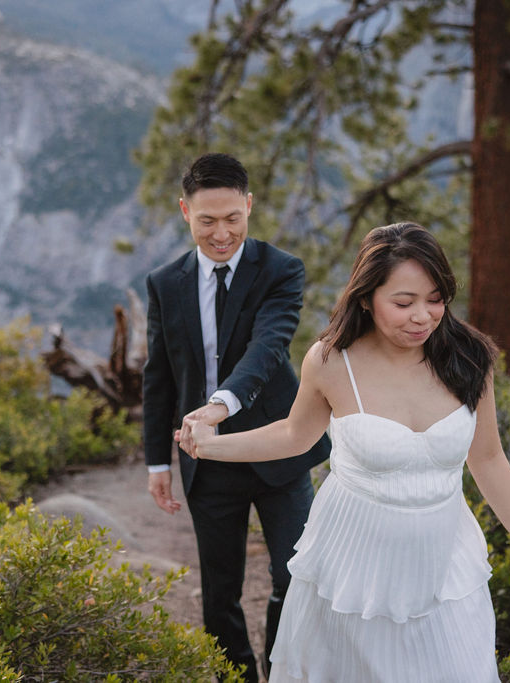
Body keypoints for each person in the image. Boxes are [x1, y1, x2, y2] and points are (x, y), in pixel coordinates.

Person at [179, 222, 510, 682]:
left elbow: (488, 457)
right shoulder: (331, 361)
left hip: (443, 566)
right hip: (352, 570)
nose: (423, 317)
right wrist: (212, 447)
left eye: (435, 299)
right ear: (367, 298)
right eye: (404, 302)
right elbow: (295, 435)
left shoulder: (469, 357)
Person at [143, 152, 331, 681]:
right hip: (207, 459)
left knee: (294, 575)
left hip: (280, 449)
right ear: (185, 212)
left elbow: (267, 348)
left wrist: (220, 405)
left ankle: (283, 667)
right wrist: (157, 461)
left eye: (232, 218)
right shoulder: (164, 283)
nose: (221, 233)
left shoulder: (281, 269)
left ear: (249, 206)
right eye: (207, 221)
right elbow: (159, 375)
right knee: (219, 589)